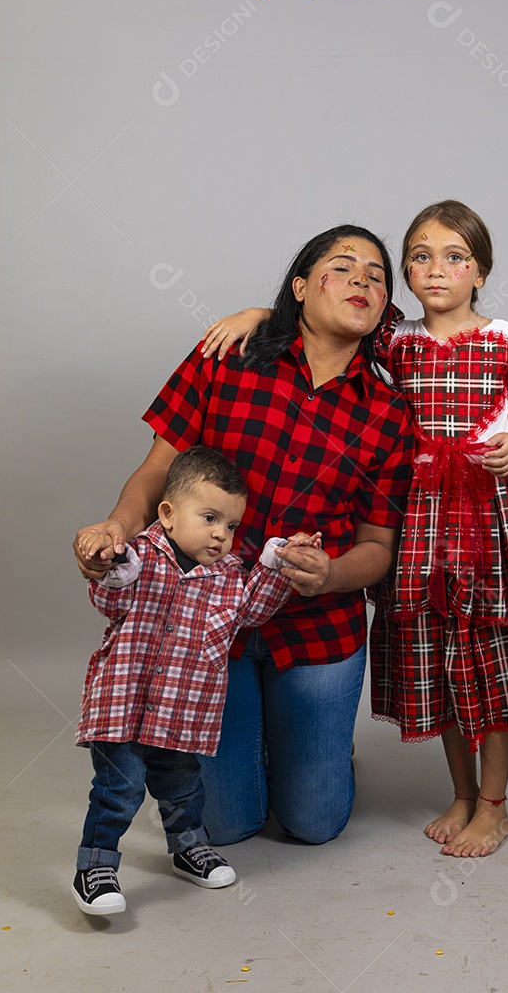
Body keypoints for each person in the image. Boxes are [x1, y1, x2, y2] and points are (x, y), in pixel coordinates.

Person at [203, 200, 508, 860]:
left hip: (491, 517)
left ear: (480, 271)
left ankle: (494, 805)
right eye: (421, 257)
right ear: (406, 269)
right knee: (441, 658)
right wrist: (258, 314)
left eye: (456, 257)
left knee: (493, 661)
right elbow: (318, 319)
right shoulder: (394, 342)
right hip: (423, 518)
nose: (438, 269)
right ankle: (460, 794)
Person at [73, 225, 414, 854]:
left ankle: (323, 750)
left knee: (315, 823)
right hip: (207, 624)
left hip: (318, 629)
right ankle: (262, 738)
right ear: (301, 286)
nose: (362, 279)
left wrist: (331, 574)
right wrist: (119, 527)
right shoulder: (226, 355)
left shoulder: (390, 413)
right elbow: (157, 469)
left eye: (376, 274)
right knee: (227, 826)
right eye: (343, 267)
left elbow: (378, 547)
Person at [73, 446, 319, 915]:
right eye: (209, 518)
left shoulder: (228, 575)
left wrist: (275, 562)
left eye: (230, 526)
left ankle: (188, 848)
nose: (221, 535)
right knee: (118, 791)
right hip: (122, 704)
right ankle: (95, 868)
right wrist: (112, 566)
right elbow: (107, 600)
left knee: (184, 787)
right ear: (167, 514)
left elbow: (250, 613)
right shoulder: (138, 556)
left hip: (181, 711)